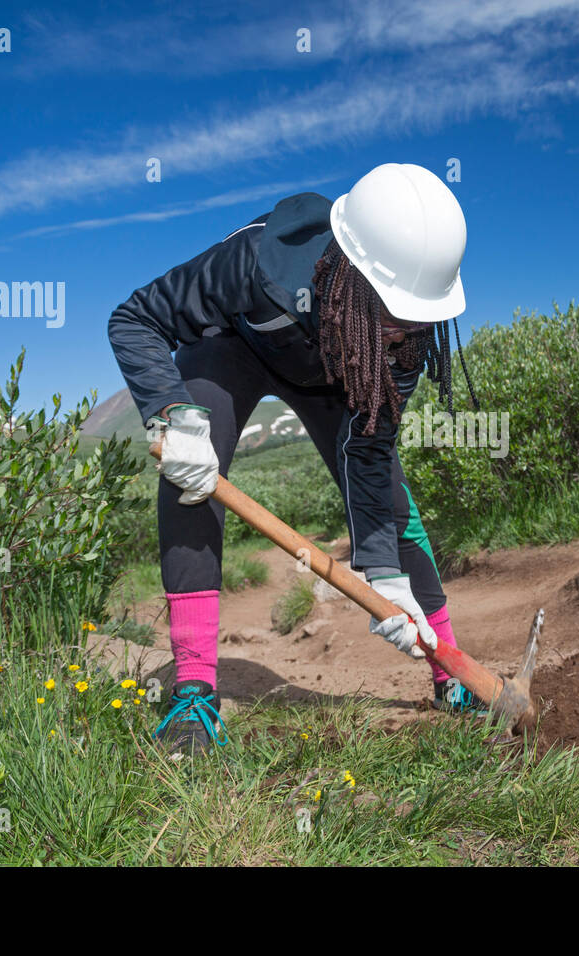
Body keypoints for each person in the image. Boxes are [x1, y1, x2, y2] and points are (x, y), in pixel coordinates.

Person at [107, 163, 484, 754]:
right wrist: (172, 416)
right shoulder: (256, 261)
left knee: (393, 501)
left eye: (416, 318)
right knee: (191, 476)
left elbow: (368, 450)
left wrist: (384, 575)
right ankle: (194, 693)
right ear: (350, 276)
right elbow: (135, 318)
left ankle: (453, 673)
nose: (403, 332)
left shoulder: (402, 341)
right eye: (392, 311)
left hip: (336, 373)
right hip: (231, 350)